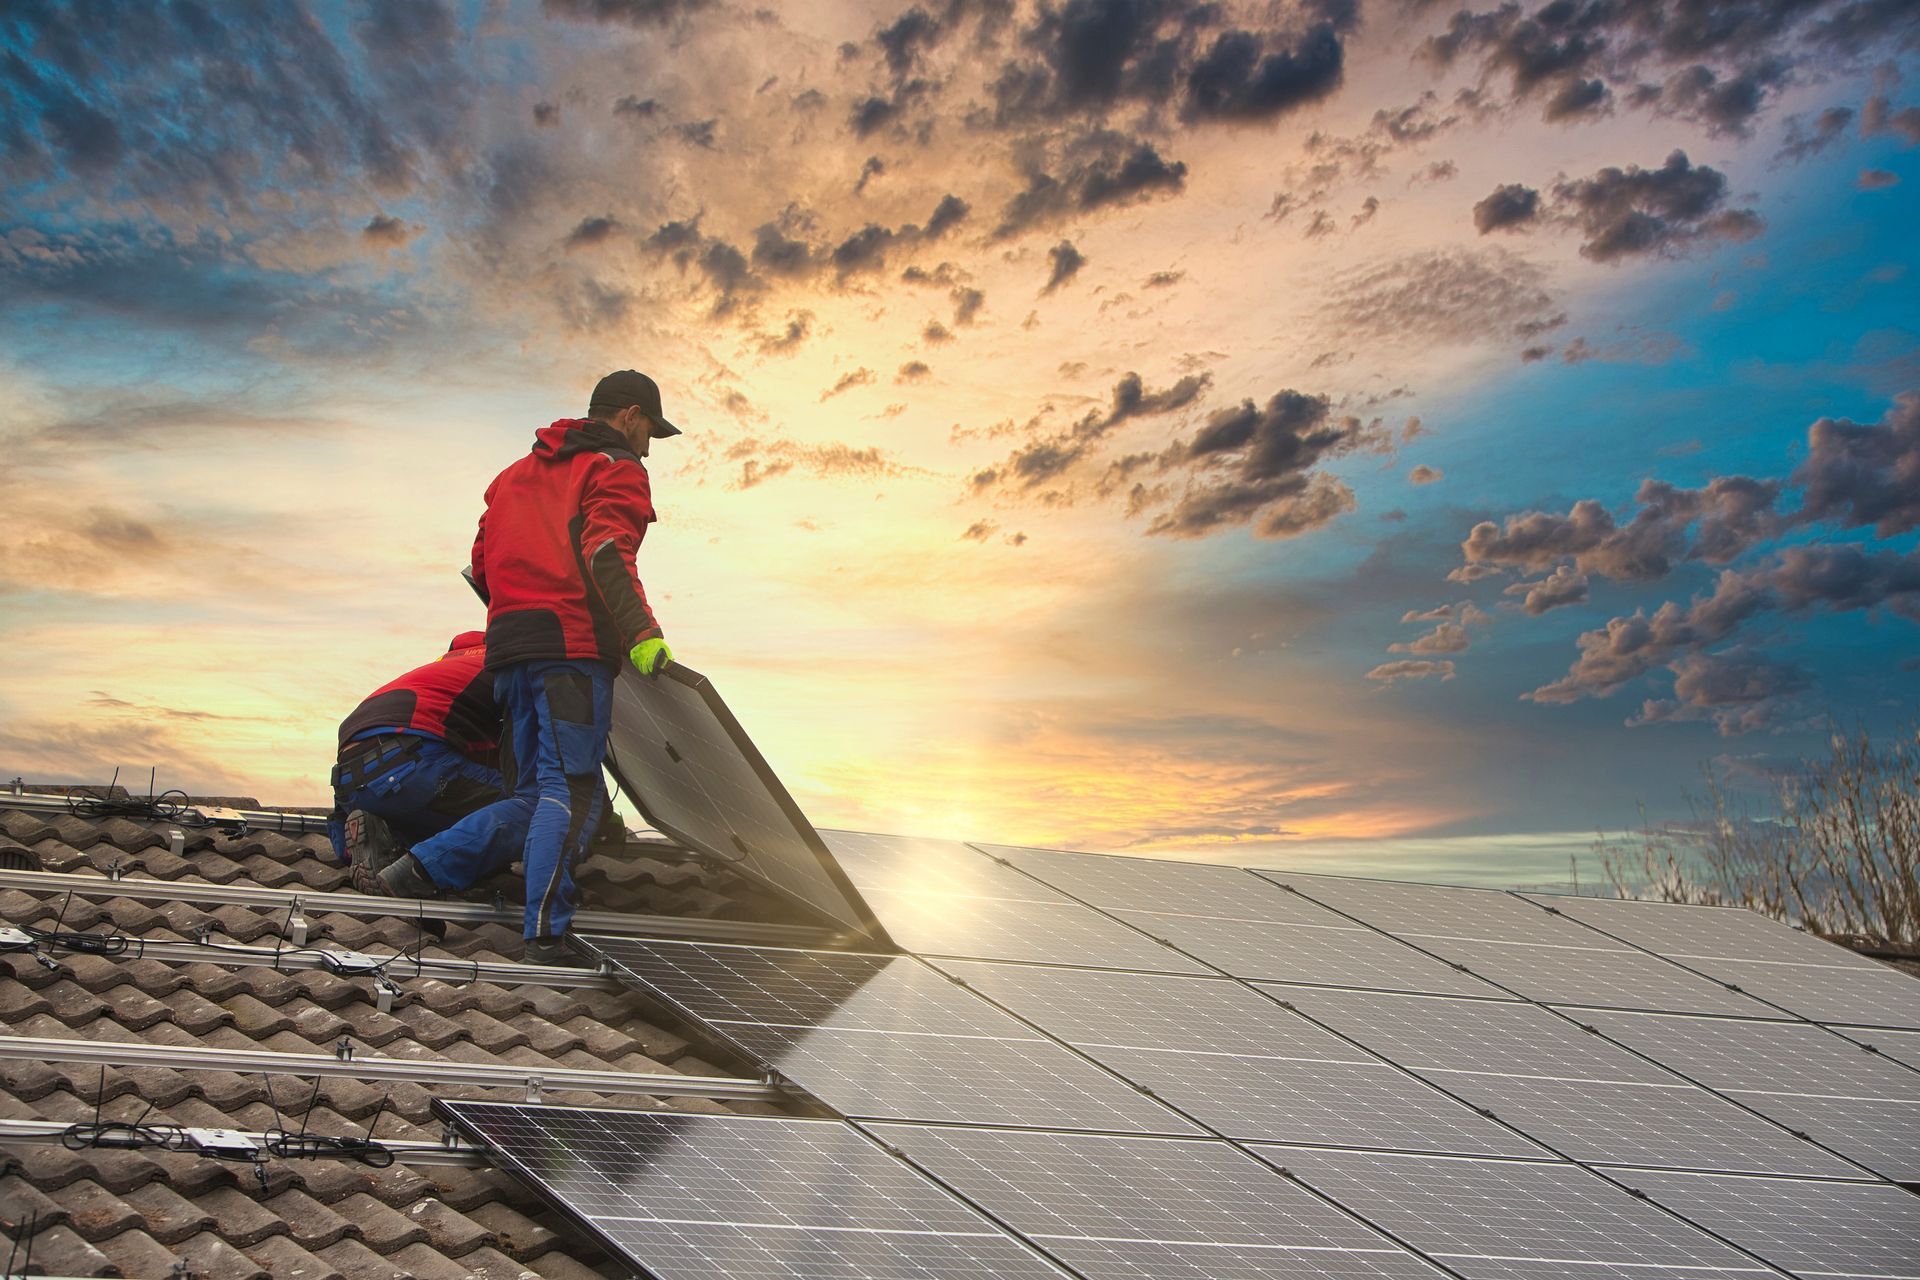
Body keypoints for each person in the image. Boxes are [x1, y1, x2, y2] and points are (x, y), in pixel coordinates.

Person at [367, 370, 679, 963]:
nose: (648, 447)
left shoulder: (512, 476)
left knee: (535, 794)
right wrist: (641, 633)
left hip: (509, 653)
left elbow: (482, 566)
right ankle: (546, 931)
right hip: (571, 653)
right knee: (572, 795)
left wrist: (521, 605)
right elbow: (606, 549)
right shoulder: (616, 469)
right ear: (632, 416)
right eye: (650, 433)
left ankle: (417, 872)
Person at [329, 632, 515, 883]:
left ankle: (386, 836)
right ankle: (416, 874)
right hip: (410, 763)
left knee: (450, 810)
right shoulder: (508, 665)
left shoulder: (439, 669)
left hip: (350, 785)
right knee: (529, 806)